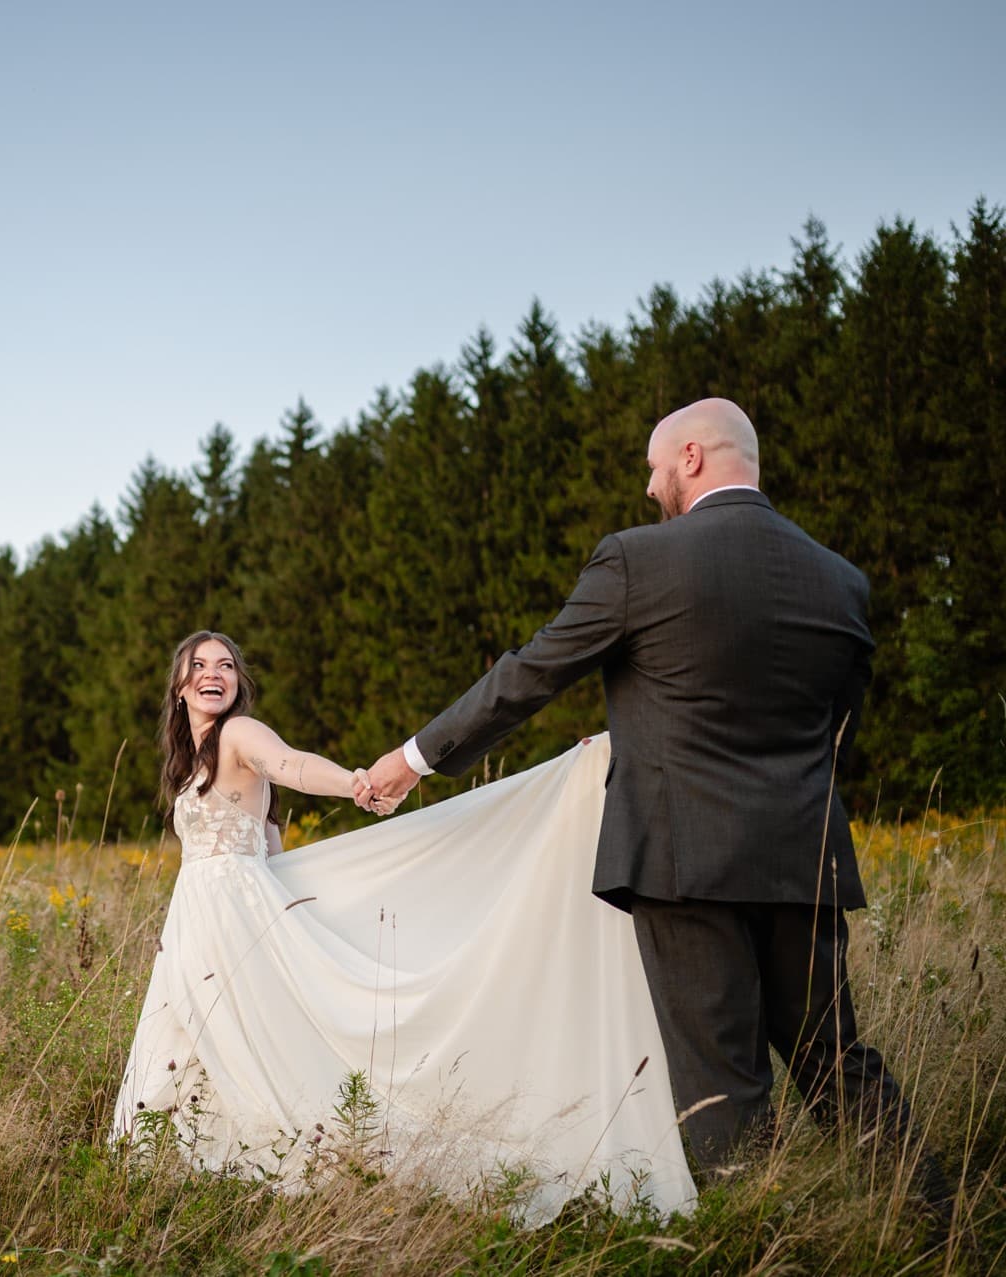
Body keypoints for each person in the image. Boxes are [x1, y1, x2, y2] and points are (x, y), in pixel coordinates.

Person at [360, 398, 953, 1215]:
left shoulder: (640, 562)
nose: (649, 487)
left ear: (693, 457)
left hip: (686, 861)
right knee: (836, 1059)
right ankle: (935, 1222)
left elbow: (531, 673)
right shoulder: (840, 580)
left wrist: (413, 758)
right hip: (803, 856)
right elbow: (837, 733)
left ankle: (757, 1244)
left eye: (654, 466)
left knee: (724, 1081)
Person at [112, 630, 696, 1223]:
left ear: (238, 682)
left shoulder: (239, 733)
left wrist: (352, 782)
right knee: (198, 1040)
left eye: (226, 665)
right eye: (200, 665)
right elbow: (268, 840)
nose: (214, 673)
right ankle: (191, 1167)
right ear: (180, 685)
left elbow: (288, 765)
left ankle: (306, 1160)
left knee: (255, 1042)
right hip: (197, 919)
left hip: (230, 918)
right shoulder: (190, 757)